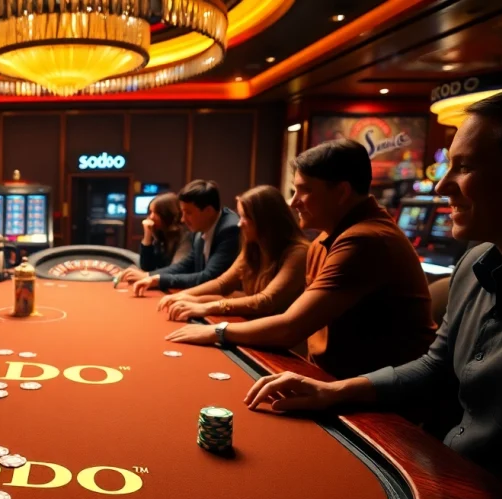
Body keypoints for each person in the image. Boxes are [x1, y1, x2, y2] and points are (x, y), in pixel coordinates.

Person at [243, 90, 502, 483]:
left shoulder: (365, 238)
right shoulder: (473, 261)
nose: (441, 187)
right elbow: (435, 366)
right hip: (446, 462)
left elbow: (290, 325)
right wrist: (333, 392)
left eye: (465, 167)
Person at [166, 139, 435, 380]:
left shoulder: (365, 239)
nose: (293, 203)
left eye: (302, 191)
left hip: (377, 404)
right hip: (330, 378)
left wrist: (217, 331)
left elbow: (289, 328)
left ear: (341, 192)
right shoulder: (324, 239)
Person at [156, 186, 308, 321]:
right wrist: (184, 295)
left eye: (245, 217)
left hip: (283, 343)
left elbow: (266, 301)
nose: (239, 223)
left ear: (266, 221)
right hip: (253, 325)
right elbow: (223, 283)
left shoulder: (298, 252)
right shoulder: (253, 245)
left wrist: (208, 307)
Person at [127, 180, 240, 295]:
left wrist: (158, 280)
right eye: (182, 213)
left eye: (188, 213)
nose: (182, 219)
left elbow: (210, 277)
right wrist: (149, 276)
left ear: (208, 211)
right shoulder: (200, 228)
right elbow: (185, 265)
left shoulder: (230, 230)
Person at [118, 192, 192, 283]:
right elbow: (146, 267)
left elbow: (177, 269)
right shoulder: (161, 235)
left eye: (156, 213)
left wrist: (147, 275)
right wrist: (147, 235)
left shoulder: (186, 235)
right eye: (150, 212)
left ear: (167, 215)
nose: (151, 217)